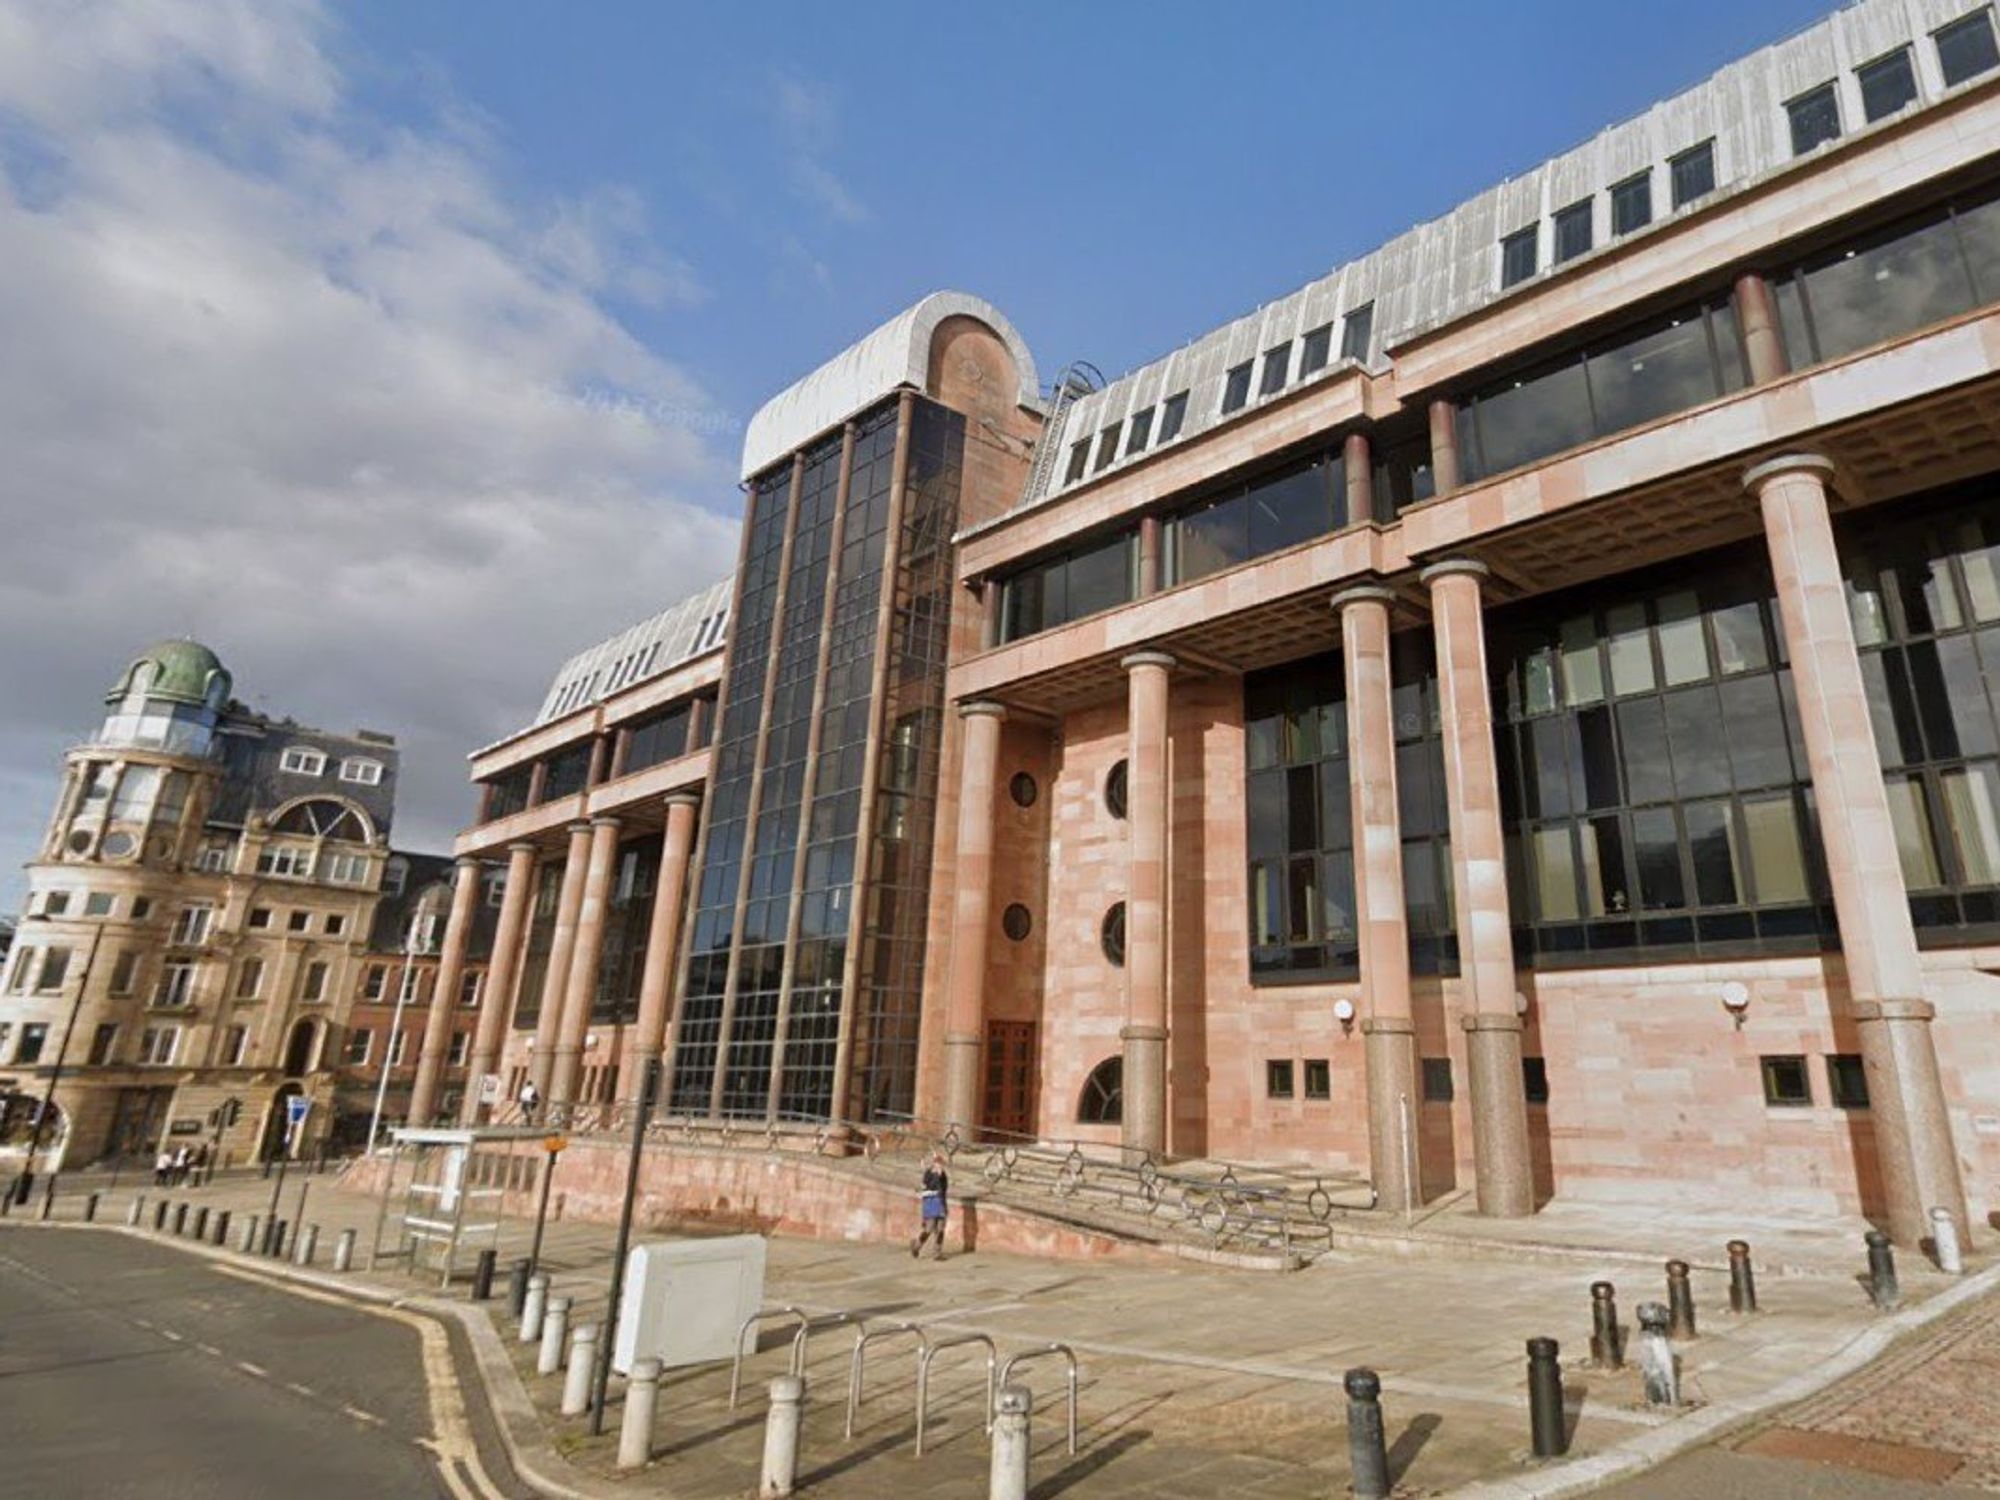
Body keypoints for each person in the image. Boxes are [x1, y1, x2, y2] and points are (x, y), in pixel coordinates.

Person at [910, 1151, 949, 1261]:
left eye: (941, 1165)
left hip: (940, 1203)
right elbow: (926, 1187)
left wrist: (939, 1176)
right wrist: (936, 1176)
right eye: (938, 1164)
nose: (940, 1167)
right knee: (930, 1227)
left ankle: (937, 1252)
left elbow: (944, 1188)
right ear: (934, 1164)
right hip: (931, 1203)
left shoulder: (943, 1176)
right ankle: (917, 1246)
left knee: (940, 1229)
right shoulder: (928, 1174)